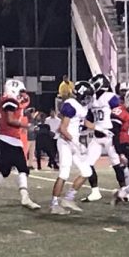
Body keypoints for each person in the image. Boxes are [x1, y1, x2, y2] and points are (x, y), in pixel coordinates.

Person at [0, 79, 42, 211]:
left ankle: (24, 197)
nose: (22, 95)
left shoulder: (8, 100)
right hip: (7, 140)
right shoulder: (9, 101)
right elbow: (10, 120)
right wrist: (27, 125)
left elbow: (25, 102)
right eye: (20, 92)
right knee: (6, 170)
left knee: (20, 169)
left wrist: (25, 96)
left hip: (13, 140)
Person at [50, 81, 94, 215]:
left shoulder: (81, 107)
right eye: (87, 96)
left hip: (73, 141)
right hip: (65, 142)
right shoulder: (70, 105)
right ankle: (54, 204)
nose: (88, 99)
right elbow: (62, 129)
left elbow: (83, 121)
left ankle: (68, 199)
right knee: (64, 173)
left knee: (87, 172)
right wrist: (76, 143)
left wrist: (100, 128)